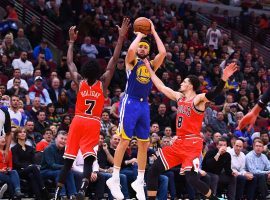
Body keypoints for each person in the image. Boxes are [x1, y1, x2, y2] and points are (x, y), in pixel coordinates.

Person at [54, 18, 130, 200]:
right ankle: (82, 189)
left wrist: (71, 42)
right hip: (93, 123)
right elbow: (113, 60)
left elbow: (70, 62)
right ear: (98, 71)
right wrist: (120, 38)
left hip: (78, 120)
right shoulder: (103, 84)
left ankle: (56, 193)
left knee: (68, 160)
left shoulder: (80, 82)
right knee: (89, 158)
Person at [144, 59, 237, 200]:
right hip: (178, 143)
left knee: (192, 179)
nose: (181, 83)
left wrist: (223, 79)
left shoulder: (198, 99)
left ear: (191, 85)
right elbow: (161, 86)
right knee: (153, 170)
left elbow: (213, 94)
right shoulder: (179, 97)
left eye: (184, 82)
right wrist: (149, 70)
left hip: (192, 144)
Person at [106, 19, 166, 200]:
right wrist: (139, 34)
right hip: (130, 102)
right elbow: (130, 50)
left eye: (145, 48)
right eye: (141, 47)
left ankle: (139, 180)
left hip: (143, 105)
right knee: (124, 141)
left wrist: (153, 32)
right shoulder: (131, 62)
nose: (142, 49)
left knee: (144, 144)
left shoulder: (151, 65)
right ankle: (114, 178)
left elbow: (162, 52)